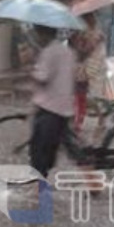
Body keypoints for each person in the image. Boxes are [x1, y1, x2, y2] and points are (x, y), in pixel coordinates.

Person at [29, 25, 77, 178]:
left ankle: (39, 189)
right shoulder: (68, 52)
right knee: (62, 146)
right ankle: (94, 182)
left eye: (37, 33)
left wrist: (29, 68)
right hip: (65, 106)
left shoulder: (49, 52)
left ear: (43, 34)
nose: (36, 37)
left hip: (49, 107)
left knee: (38, 149)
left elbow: (42, 77)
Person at [71, 12, 114, 134]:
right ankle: (84, 120)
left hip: (91, 66)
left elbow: (84, 50)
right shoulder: (92, 32)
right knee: (83, 95)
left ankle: (83, 121)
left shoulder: (92, 34)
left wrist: (77, 42)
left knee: (85, 95)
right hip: (94, 65)